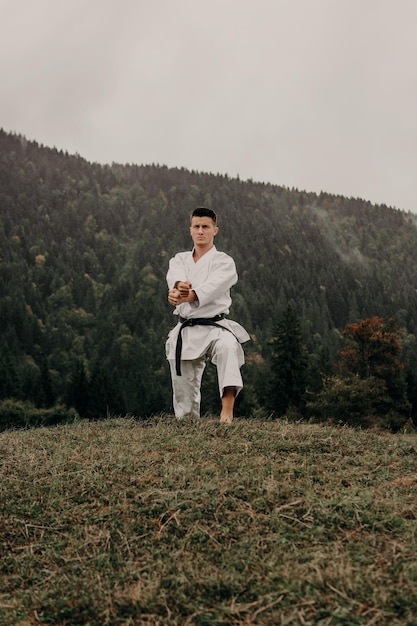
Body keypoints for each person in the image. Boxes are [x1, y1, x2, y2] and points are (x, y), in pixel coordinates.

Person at [166, 207, 250, 423]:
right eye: (197, 226)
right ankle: (186, 422)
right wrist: (177, 290)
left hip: (215, 327)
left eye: (206, 227)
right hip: (186, 327)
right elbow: (175, 279)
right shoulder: (179, 259)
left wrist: (188, 295)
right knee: (183, 390)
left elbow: (213, 287)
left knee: (228, 348)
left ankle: (227, 412)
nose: (200, 231)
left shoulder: (224, 262)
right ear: (190, 230)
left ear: (215, 230)